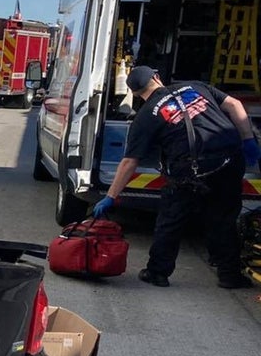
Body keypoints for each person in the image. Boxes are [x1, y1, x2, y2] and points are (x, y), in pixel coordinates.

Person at [95, 66, 261, 288]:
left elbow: (129, 162)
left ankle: (157, 273)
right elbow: (234, 105)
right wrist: (248, 139)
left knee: (171, 221)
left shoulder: (145, 116)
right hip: (228, 161)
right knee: (223, 218)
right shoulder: (194, 86)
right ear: (157, 77)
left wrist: (110, 196)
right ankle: (229, 275)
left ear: (136, 94)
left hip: (189, 172)